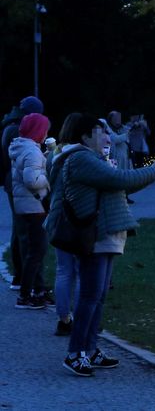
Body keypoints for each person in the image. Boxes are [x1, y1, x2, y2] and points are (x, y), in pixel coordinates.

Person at [43, 114, 155, 376]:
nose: (108, 137)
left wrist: (152, 173)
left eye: (108, 132)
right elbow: (120, 180)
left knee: (99, 296)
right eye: (101, 132)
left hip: (107, 234)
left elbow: (120, 187)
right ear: (85, 136)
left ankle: (91, 348)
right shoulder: (80, 158)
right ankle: (75, 352)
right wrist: (154, 169)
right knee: (89, 296)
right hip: (94, 235)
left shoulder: (94, 159)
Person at [8, 113, 51, 309]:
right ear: (38, 131)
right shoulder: (32, 151)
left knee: (34, 250)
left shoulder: (21, 147)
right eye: (45, 130)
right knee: (37, 251)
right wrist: (47, 176)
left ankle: (38, 290)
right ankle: (25, 296)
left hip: (25, 205)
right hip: (34, 206)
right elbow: (32, 180)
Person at [1, 96, 44, 290]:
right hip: (18, 184)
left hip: (13, 182)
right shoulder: (14, 130)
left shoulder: (11, 126)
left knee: (20, 231)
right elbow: (23, 161)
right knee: (26, 233)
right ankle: (32, 282)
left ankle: (21, 276)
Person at [47, 113, 84, 335]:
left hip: (58, 215)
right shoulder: (80, 155)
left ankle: (64, 319)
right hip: (76, 217)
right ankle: (80, 317)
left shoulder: (56, 153)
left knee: (63, 270)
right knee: (80, 271)